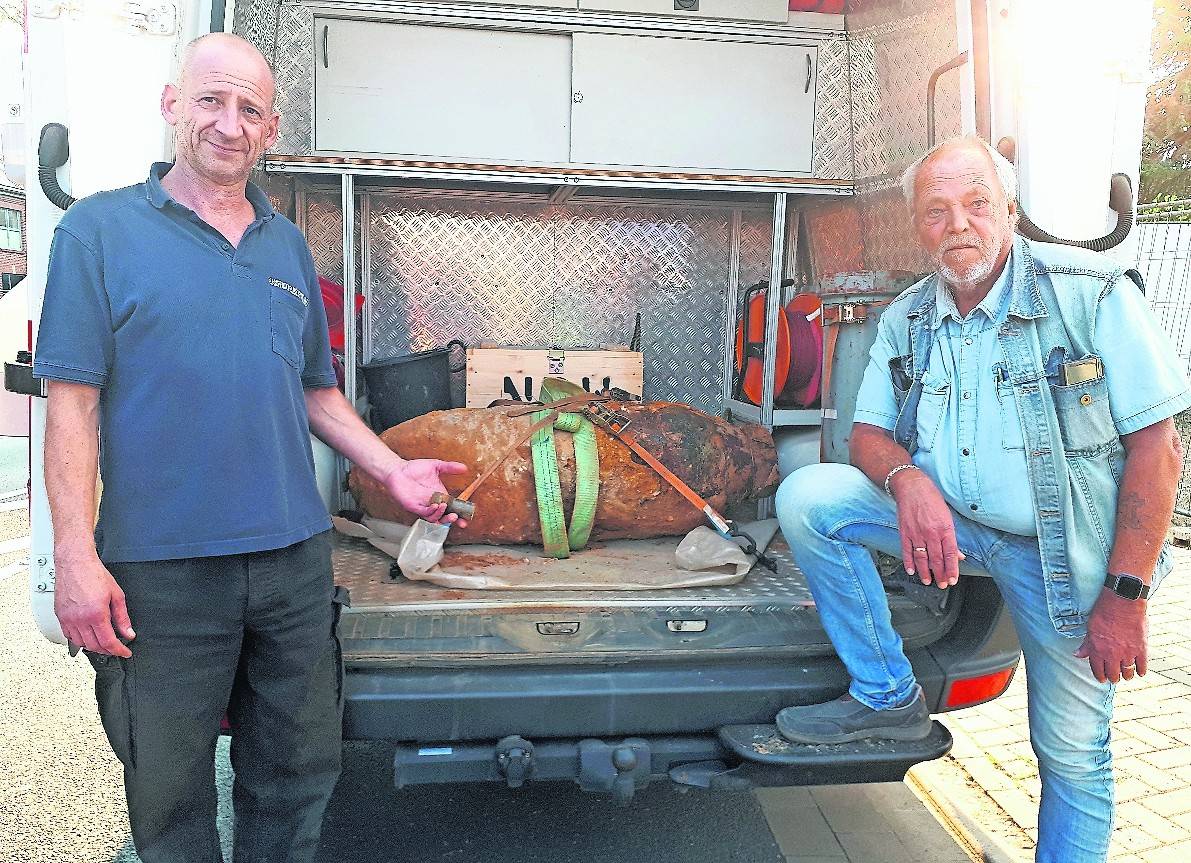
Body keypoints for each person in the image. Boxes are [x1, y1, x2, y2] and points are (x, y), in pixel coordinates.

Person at [34, 32, 467, 863]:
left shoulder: (286, 247)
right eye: (210, 100)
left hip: (291, 562)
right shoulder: (98, 232)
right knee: (167, 789)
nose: (228, 123)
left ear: (270, 130)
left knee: (297, 771)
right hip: (159, 569)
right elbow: (73, 405)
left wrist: (390, 467)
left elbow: (315, 392)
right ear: (172, 107)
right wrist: (74, 556)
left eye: (249, 109)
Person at [774, 136, 1189, 863]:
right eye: (935, 212)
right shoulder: (908, 316)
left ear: (1009, 210)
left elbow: (1158, 452)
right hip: (956, 529)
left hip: (1060, 551)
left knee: (1070, 752)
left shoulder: (1088, 292)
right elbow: (867, 434)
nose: (957, 224)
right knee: (810, 495)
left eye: (975, 204)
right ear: (917, 227)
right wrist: (908, 482)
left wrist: (1125, 596)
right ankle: (885, 693)